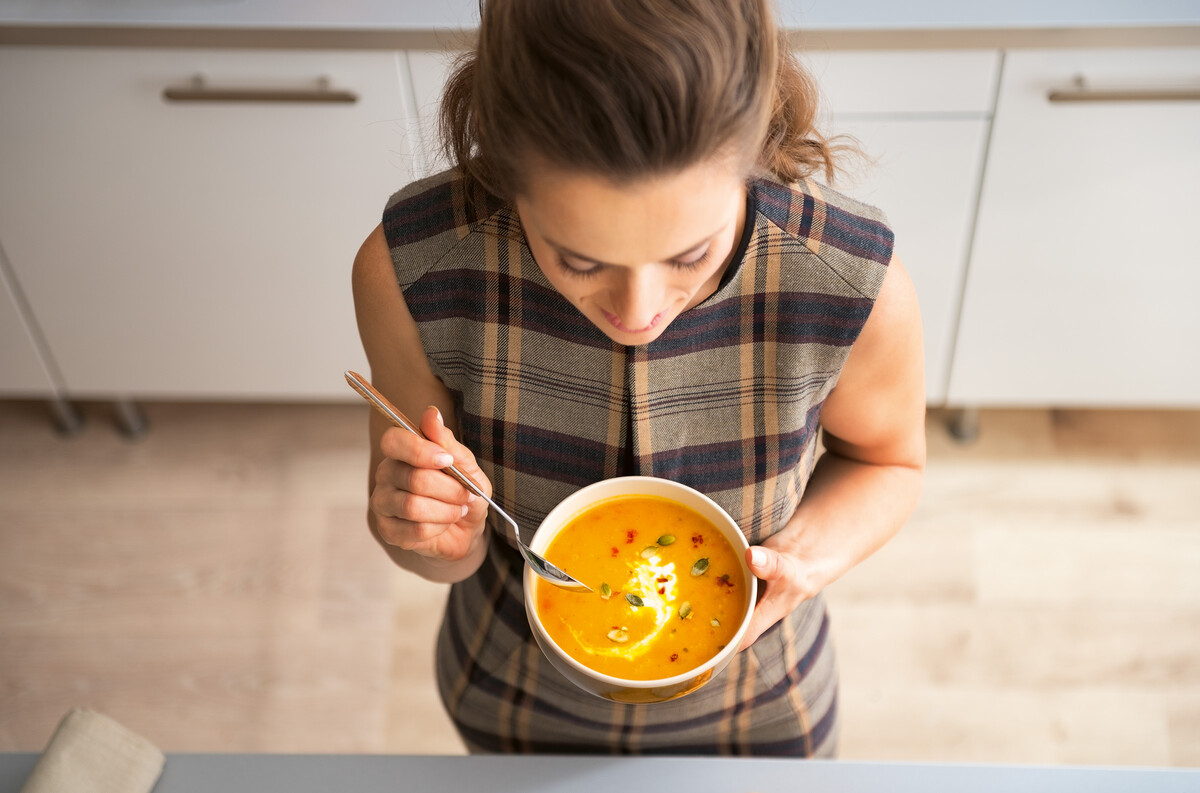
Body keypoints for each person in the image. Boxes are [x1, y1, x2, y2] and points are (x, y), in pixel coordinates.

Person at [352, 0, 925, 756]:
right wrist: (426, 526)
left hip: (762, 713)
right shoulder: (412, 270)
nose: (637, 310)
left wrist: (805, 556)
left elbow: (890, 460)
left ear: (753, 150)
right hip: (513, 700)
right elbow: (439, 550)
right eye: (580, 259)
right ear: (508, 173)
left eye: (690, 254)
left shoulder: (850, 282)